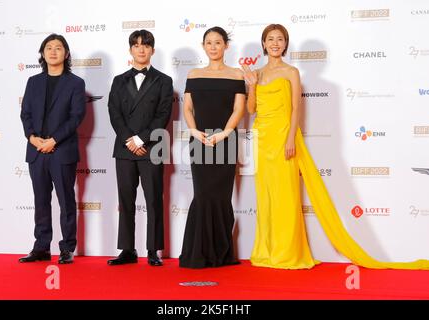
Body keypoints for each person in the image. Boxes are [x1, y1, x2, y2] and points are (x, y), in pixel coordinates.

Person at [243, 24, 429, 270]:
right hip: (262, 139)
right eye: (270, 39)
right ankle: (265, 251)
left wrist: (290, 139)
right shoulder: (256, 73)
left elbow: (296, 110)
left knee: (285, 196)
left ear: (285, 44)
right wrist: (252, 85)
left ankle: (286, 253)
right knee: (265, 197)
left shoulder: (291, 72)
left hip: (283, 138)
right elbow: (250, 109)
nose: (275, 43)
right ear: (263, 44)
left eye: (280, 39)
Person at [179, 26, 246, 268]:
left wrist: (225, 133)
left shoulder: (237, 75)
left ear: (226, 46)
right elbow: (187, 108)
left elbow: (239, 109)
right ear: (203, 46)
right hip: (199, 139)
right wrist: (195, 131)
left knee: (221, 196)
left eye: (218, 42)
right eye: (209, 42)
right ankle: (198, 253)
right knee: (203, 194)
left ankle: (221, 254)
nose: (214, 47)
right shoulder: (194, 74)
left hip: (226, 140)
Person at [107, 30, 173, 267]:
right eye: (136, 45)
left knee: (154, 199)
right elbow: (114, 113)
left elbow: (163, 114)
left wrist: (141, 140)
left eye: (145, 45)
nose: (141, 49)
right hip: (125, 148)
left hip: (152, 146)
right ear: (130, 50)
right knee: (126, 199)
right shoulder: (118, 80)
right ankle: (127, 249)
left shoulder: (164, 81)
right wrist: (129, 140)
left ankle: (153, 250)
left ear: (152, 50)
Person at [19, 34, 86, 264]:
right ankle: (41, 247)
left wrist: (54, 139)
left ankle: (67, 248)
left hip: (62, 150)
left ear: (66, 54)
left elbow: (76, 116)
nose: (53, 51)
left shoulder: (76, 83)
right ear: (43, 53)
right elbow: (25, 113)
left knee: (66, 200)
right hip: (36, 150)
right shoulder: (33, 82)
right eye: (49, 47)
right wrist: (32, 137)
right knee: (40, 200)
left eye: (59, 48)